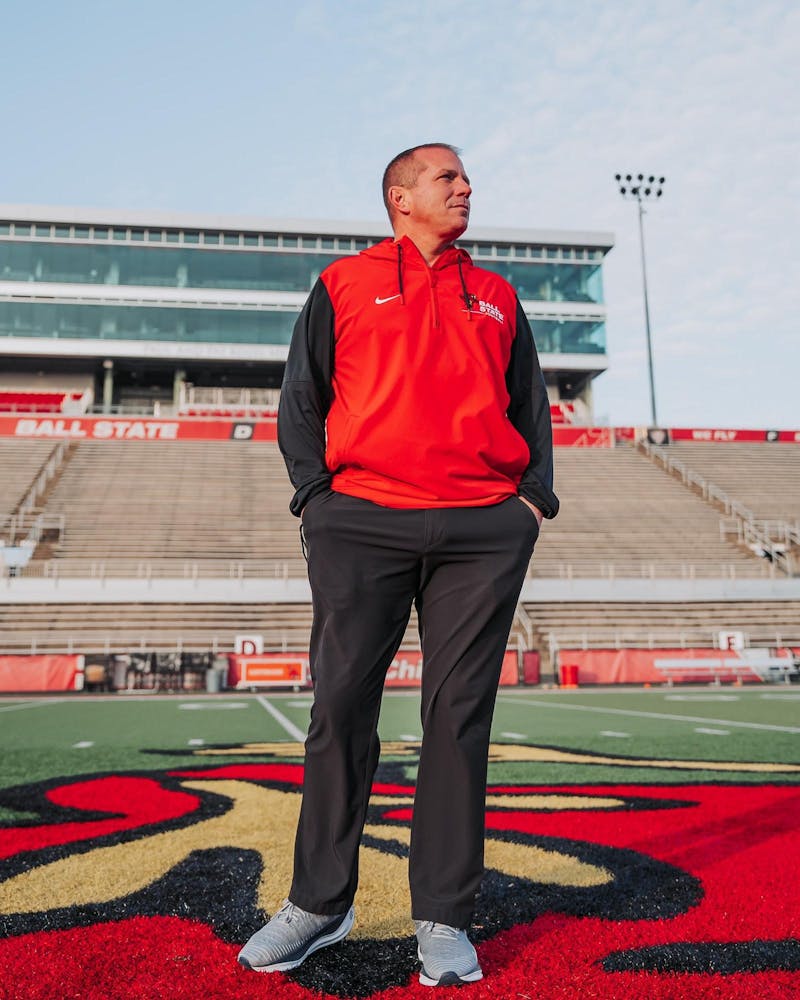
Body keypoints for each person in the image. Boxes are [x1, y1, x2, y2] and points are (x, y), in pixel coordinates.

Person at [238, 142, 559, 987]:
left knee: (458, 720)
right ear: (400, 196)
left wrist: (531, 504)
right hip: (363, 520)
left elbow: (531, 405)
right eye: (447, 177)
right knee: (340, 707)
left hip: (481, 529)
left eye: (465, 177)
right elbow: (300, 399)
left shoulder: (496, 292)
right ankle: (318, 903)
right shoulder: (344, 283)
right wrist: (318, 498)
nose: (465, 187)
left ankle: (446, 918)